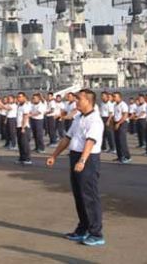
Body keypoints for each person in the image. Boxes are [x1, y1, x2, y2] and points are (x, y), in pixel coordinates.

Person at [46, 89, 105, 247]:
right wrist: (54, 155)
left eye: (79, 99)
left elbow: (90, 142)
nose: (76, 101)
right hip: (75, 157)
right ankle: (83, 228)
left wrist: (83, 160)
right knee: (79, 196)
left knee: (89, 197)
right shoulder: (79, 118)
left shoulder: (95, 120)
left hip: (88, 159)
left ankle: (96, 233)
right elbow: (67, 138)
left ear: (88, 101)